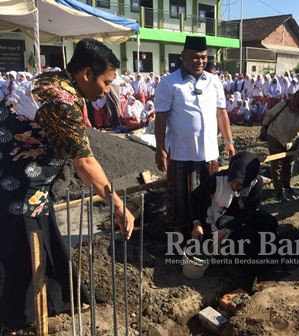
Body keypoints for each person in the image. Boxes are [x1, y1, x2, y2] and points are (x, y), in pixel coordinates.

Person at [0, 38, 134, 333]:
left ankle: (56, 299)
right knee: (19, 248)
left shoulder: (58, 81)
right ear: (86, 74)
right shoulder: (60, 98)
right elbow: (84, 164)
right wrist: (118, 204)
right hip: (14, 180)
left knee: (43, 237)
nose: (107, 90)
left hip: (32, 180)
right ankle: (15, 317)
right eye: (106, 82)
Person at [154, 35, 235, 237]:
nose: (199, 61)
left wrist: (229, 140)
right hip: (181, 152)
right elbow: (161, 118)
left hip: (209, 152)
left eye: (203, 57)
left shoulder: (214, 81)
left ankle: (206, 232)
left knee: (208, 194)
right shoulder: (169, 82)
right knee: (180, 196)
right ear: (183, 56)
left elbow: (221, 112)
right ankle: (178, 237)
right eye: (194, 57)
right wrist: (160, 148)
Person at [190, 151, 278, 276]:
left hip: (242, 218)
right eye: (233, 181)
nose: (234, 186)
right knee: (247, 238)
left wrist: (229, 229)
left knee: (269, 222)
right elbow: (195, 197)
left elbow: (249, 211)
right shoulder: (217, 179)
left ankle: (271, 263)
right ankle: (247, 273)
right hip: (219, 221)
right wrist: (197, 223)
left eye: (239, 184)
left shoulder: (256, 183)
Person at [263, 87, 299, 201]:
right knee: (277, 164)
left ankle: (286, 186)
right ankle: (279, 191)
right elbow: (270, 114)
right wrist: (264, 126)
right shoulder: (285, 104)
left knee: (289, 163)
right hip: (275, 136)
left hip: (292, 140)